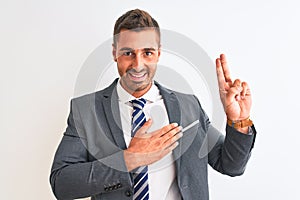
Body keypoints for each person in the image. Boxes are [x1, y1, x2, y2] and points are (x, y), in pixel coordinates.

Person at [50, 9, 256, 200]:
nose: (138, 64)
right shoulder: (86, 110)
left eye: (147, 52)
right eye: (128, 53)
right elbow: (62, 183)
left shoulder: (188, 106)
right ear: (114, 53)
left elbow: (230, 165)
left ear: (158, 53)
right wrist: (130, 159)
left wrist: (238, 120)